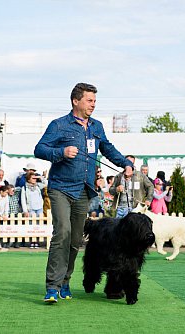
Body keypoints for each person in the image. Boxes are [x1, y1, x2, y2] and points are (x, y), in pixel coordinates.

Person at [34, 83, 134, 303]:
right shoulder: (59, 125)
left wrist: (125, 163)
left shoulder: (96, 126)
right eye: (89, 100)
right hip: (60, 188)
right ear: (75, 101)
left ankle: (66, 281)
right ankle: (52, 286)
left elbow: (107, 148)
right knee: (62, 233)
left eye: (95, 101)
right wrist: (61, 151)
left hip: (84, 190)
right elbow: (39, 149)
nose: (93, 105)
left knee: (75, 239)